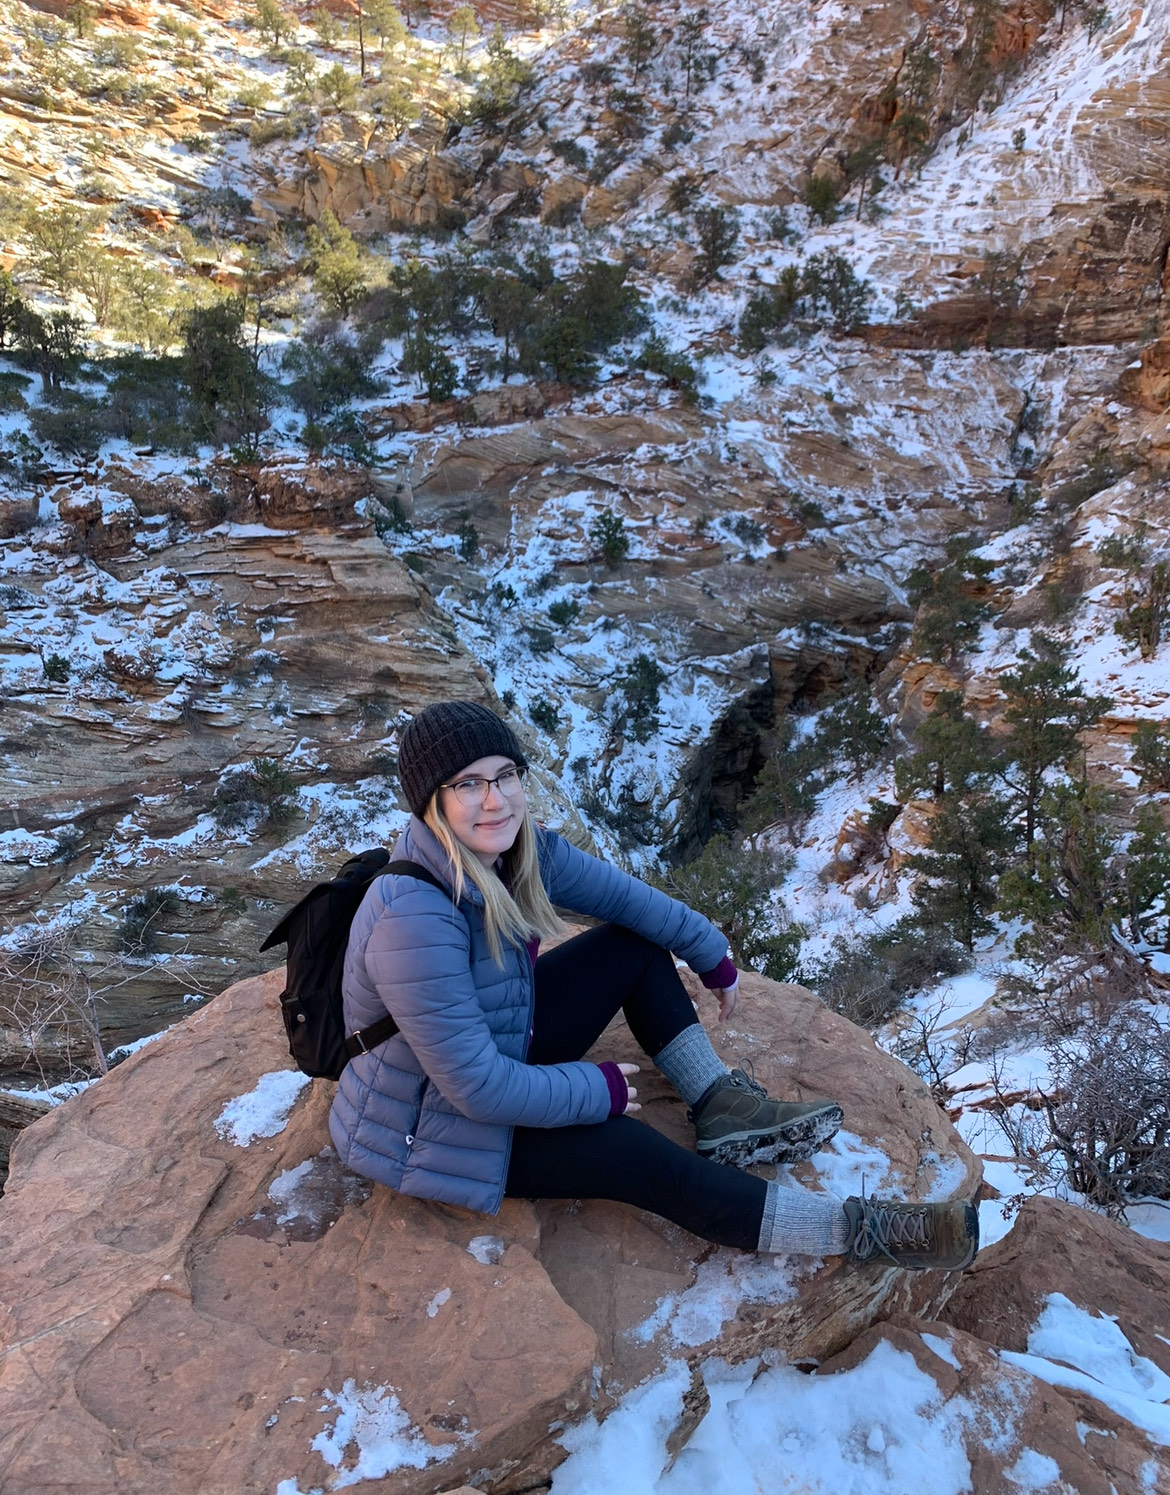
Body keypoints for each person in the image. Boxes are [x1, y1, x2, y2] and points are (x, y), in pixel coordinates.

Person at [330, 701, 978, 1271]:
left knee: (632, 946)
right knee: (642, 1158)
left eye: (505, 776)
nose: (495, 799)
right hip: (433, 1124)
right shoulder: (411, 916)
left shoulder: (517, 853)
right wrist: (596, 1088)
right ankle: (858, 1232)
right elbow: (475, 1088)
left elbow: (628, 900)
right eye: (468, 784)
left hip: (501, 1043)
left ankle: (720, 1104)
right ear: (431, 801)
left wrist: (708, 950)